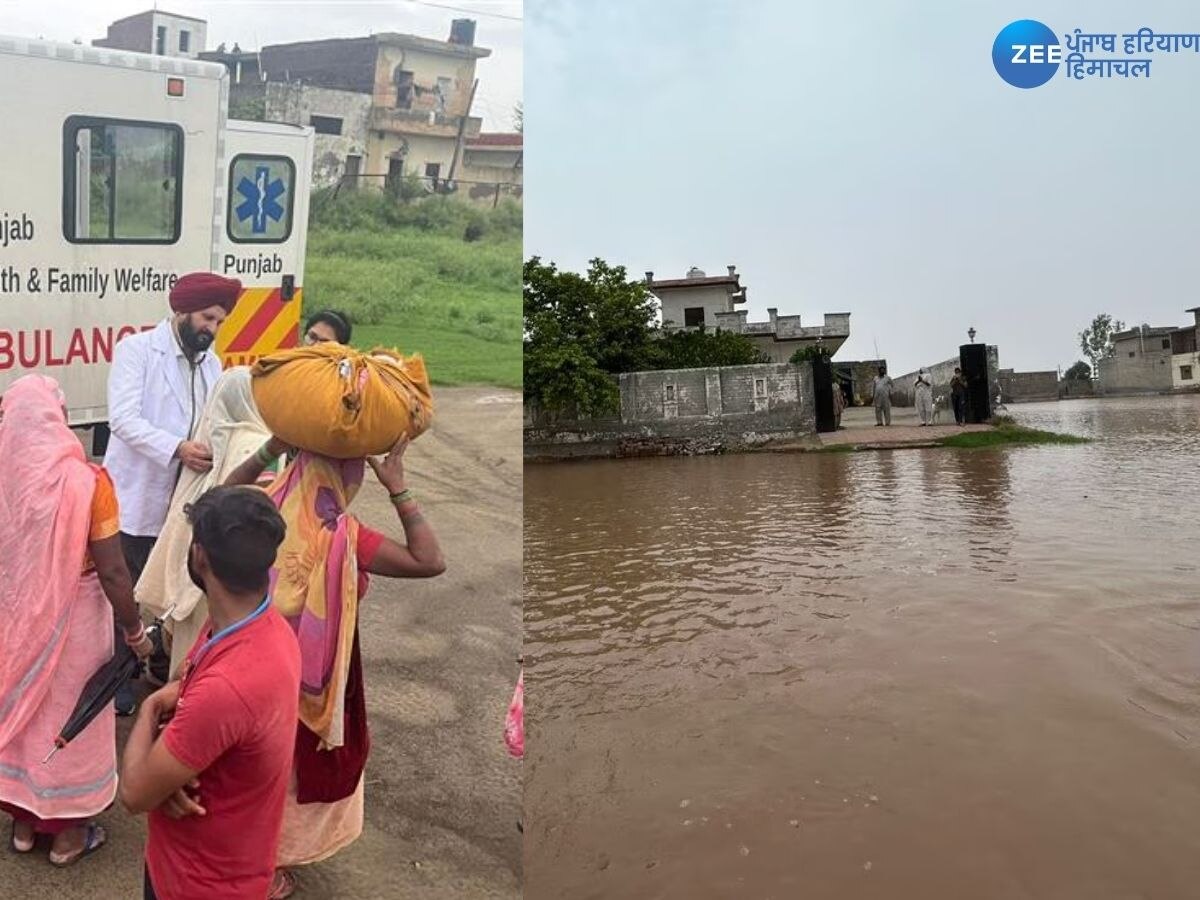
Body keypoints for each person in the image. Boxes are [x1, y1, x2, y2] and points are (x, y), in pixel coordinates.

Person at [223, 434, 445, 899]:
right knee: (289, 772)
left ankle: (241, 858)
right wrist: (398, 488)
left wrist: (270, 448)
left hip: (244, 662)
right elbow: (429, 561)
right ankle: (262, 873)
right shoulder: (343, 533)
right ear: (348, 477)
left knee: (245, 761)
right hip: (309, 679)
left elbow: (219, 496)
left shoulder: (262, 509)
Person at [0, 375, 154, 867]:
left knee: (29, 707)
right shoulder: (86, 483)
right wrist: (134, 631)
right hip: (77, 621)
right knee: (72, 713)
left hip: (17, 617)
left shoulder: (7, 476)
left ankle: (25, 825)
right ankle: (67, 837)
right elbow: (112, 570)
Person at [119, 486, 301, 900]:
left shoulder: (228, 688)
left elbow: (133, 793)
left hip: (196, 882)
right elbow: (189, 682)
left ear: (199, 556)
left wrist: (150, 709)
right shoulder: (260, 625)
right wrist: (172, 769)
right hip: (219, 861)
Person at [104, 272, 242, 712]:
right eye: (207, 318)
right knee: (123, 593)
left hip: (183, 501)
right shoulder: (137, 351)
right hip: (135, 496)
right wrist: (177, 447)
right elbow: (121, 419)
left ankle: (165, 665)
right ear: (182, 311)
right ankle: (118, 676)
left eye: (219, 322)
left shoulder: (213, 365)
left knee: (175, 588)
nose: (212, 329)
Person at [136, 367, 281, 680]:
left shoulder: (212, 442)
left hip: (199, 569)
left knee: (191, 657)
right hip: (230, 574)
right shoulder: (260, 443)